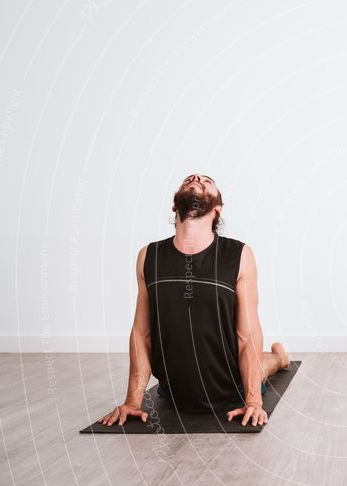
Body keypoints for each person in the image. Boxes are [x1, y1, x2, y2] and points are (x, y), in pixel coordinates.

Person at [98, 173, 290, 427]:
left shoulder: (239, 255)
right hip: (174, 389)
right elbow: (141, 333)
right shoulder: (149, 256)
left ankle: (278, 358)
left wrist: (253, 401)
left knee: (263, 366)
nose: (197, 177)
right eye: (190, 178)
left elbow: (248, 335)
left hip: (228, 385)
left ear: (217, 208)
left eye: (207, 181)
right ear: (175, 205)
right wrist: (133, 402)